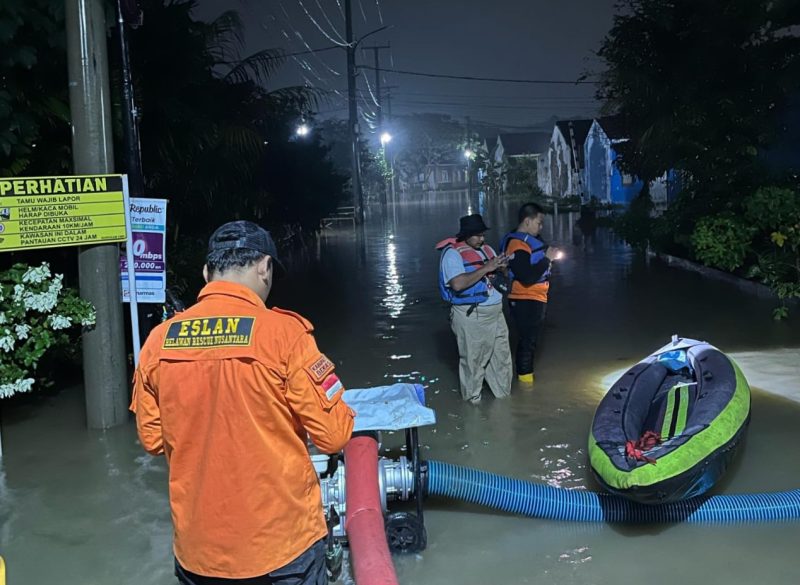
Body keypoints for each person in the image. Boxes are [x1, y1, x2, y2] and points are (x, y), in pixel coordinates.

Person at [131, 220, 355, 585]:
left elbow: (153, 441)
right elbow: (333, 436)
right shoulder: (285, 335)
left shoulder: (158, 342)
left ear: (207, 272)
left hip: (199, 553)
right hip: (282, 548)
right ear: (264, 267)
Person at [436, 213, 513, 403]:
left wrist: (502, 267)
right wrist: (486, 269)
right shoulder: (452, 254)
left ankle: (505, 405)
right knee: (474, 363)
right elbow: (458, 284)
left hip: (496, 313)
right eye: (478, 235)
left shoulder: (487, 249)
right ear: (466, 235)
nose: (482, 239)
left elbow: (500, 275)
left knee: (502, 360)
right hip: (472, 315)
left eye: (483, 235)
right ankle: (473, 408)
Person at [500, 203, 560, 386]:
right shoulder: (517, 244)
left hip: (533, 297)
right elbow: (526, 276)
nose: (541, 227)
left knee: (530, 341)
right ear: (527, 221)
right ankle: (526, 384)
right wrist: (547, 259)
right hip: (525, 298)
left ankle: (525, 380)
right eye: (539, 223)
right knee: (527, 342)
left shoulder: (526, 240)